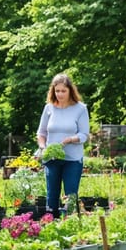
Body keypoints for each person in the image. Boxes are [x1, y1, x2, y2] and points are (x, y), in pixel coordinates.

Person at [36, 74, 90, 214]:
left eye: (63, 91)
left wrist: (70, 139)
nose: (60, 94)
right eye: (57, 90)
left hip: (72, 159)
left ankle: (70, 224)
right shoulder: (49, 108)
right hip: (52, 159)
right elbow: (41, 133)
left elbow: (84, 134)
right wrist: (43, 147)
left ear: (70, 91)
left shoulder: (80, 109)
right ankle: (51, 224)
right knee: (52, 195)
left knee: (71, 195)